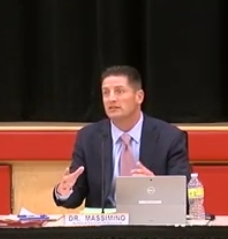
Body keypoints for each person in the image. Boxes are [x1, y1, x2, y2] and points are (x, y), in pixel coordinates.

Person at [54, 66, 192, 210]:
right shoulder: (89, 137)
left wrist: (154, 186)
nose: (111, 99)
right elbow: (75, 197)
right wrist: (64, 191)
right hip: (103, 227)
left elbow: (184, 195)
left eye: (119, 91)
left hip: (151, 222)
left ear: (139, 96)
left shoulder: (169, 137)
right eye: (106, 93)